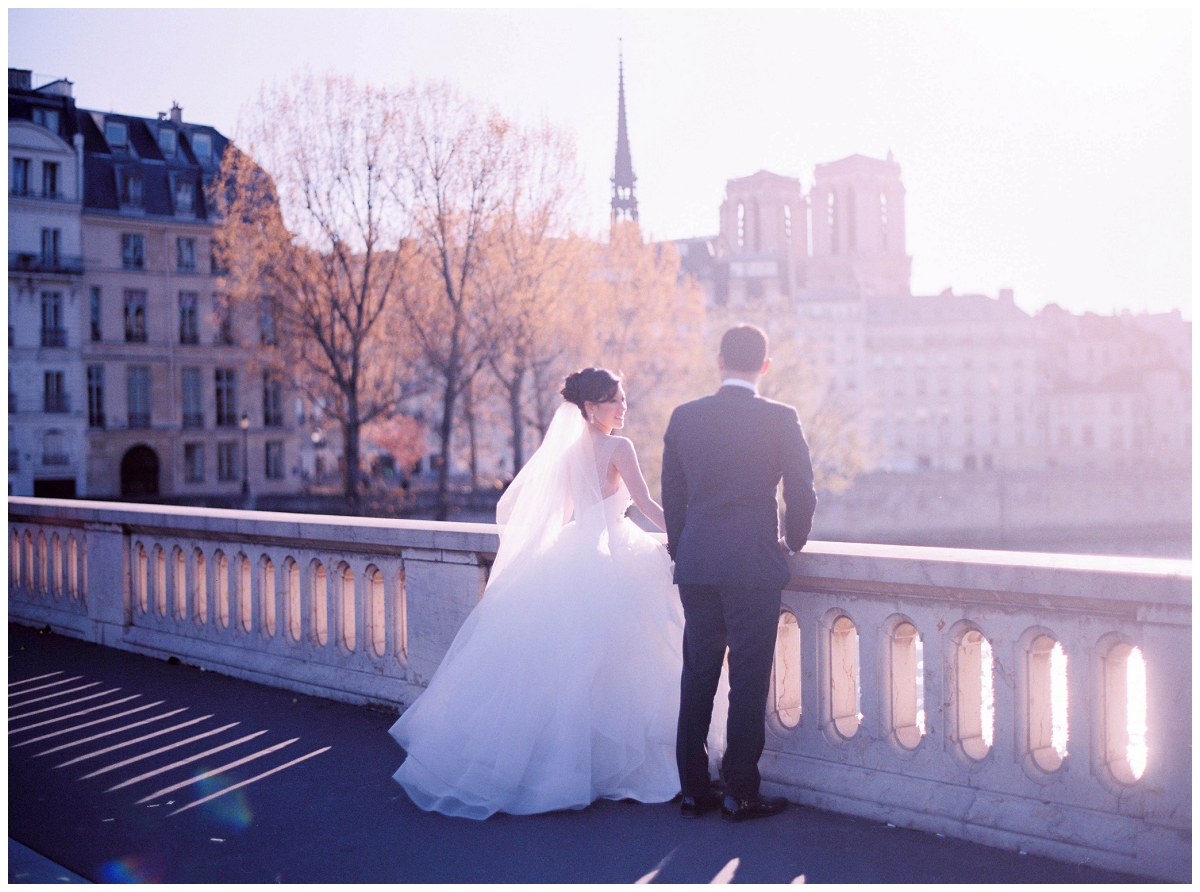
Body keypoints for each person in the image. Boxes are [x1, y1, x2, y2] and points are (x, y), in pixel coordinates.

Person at [389, 368, 717, 819]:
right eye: (614, 400)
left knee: (569, 667)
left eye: (623, 398)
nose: (624, 407)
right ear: (589, 408)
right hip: (615, 553)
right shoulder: (620, 447)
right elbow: (645, 505)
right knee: (622, 660)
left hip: (576, 549)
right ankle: (611, 767)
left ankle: (567, 766)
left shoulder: (566, 453)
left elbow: (562, 513)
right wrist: (689, 535)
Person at [663, 324, 817, 822]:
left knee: (698, 674)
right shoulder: (780, 418)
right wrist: (790, 544)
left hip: (698, 562)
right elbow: (802, 491)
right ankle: (739, 792)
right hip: (753, 562)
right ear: (764, 367)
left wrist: (685, 549)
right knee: (748, 680)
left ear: (719, 361)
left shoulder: (685, 418)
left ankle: (692, 789)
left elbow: (674, 498)